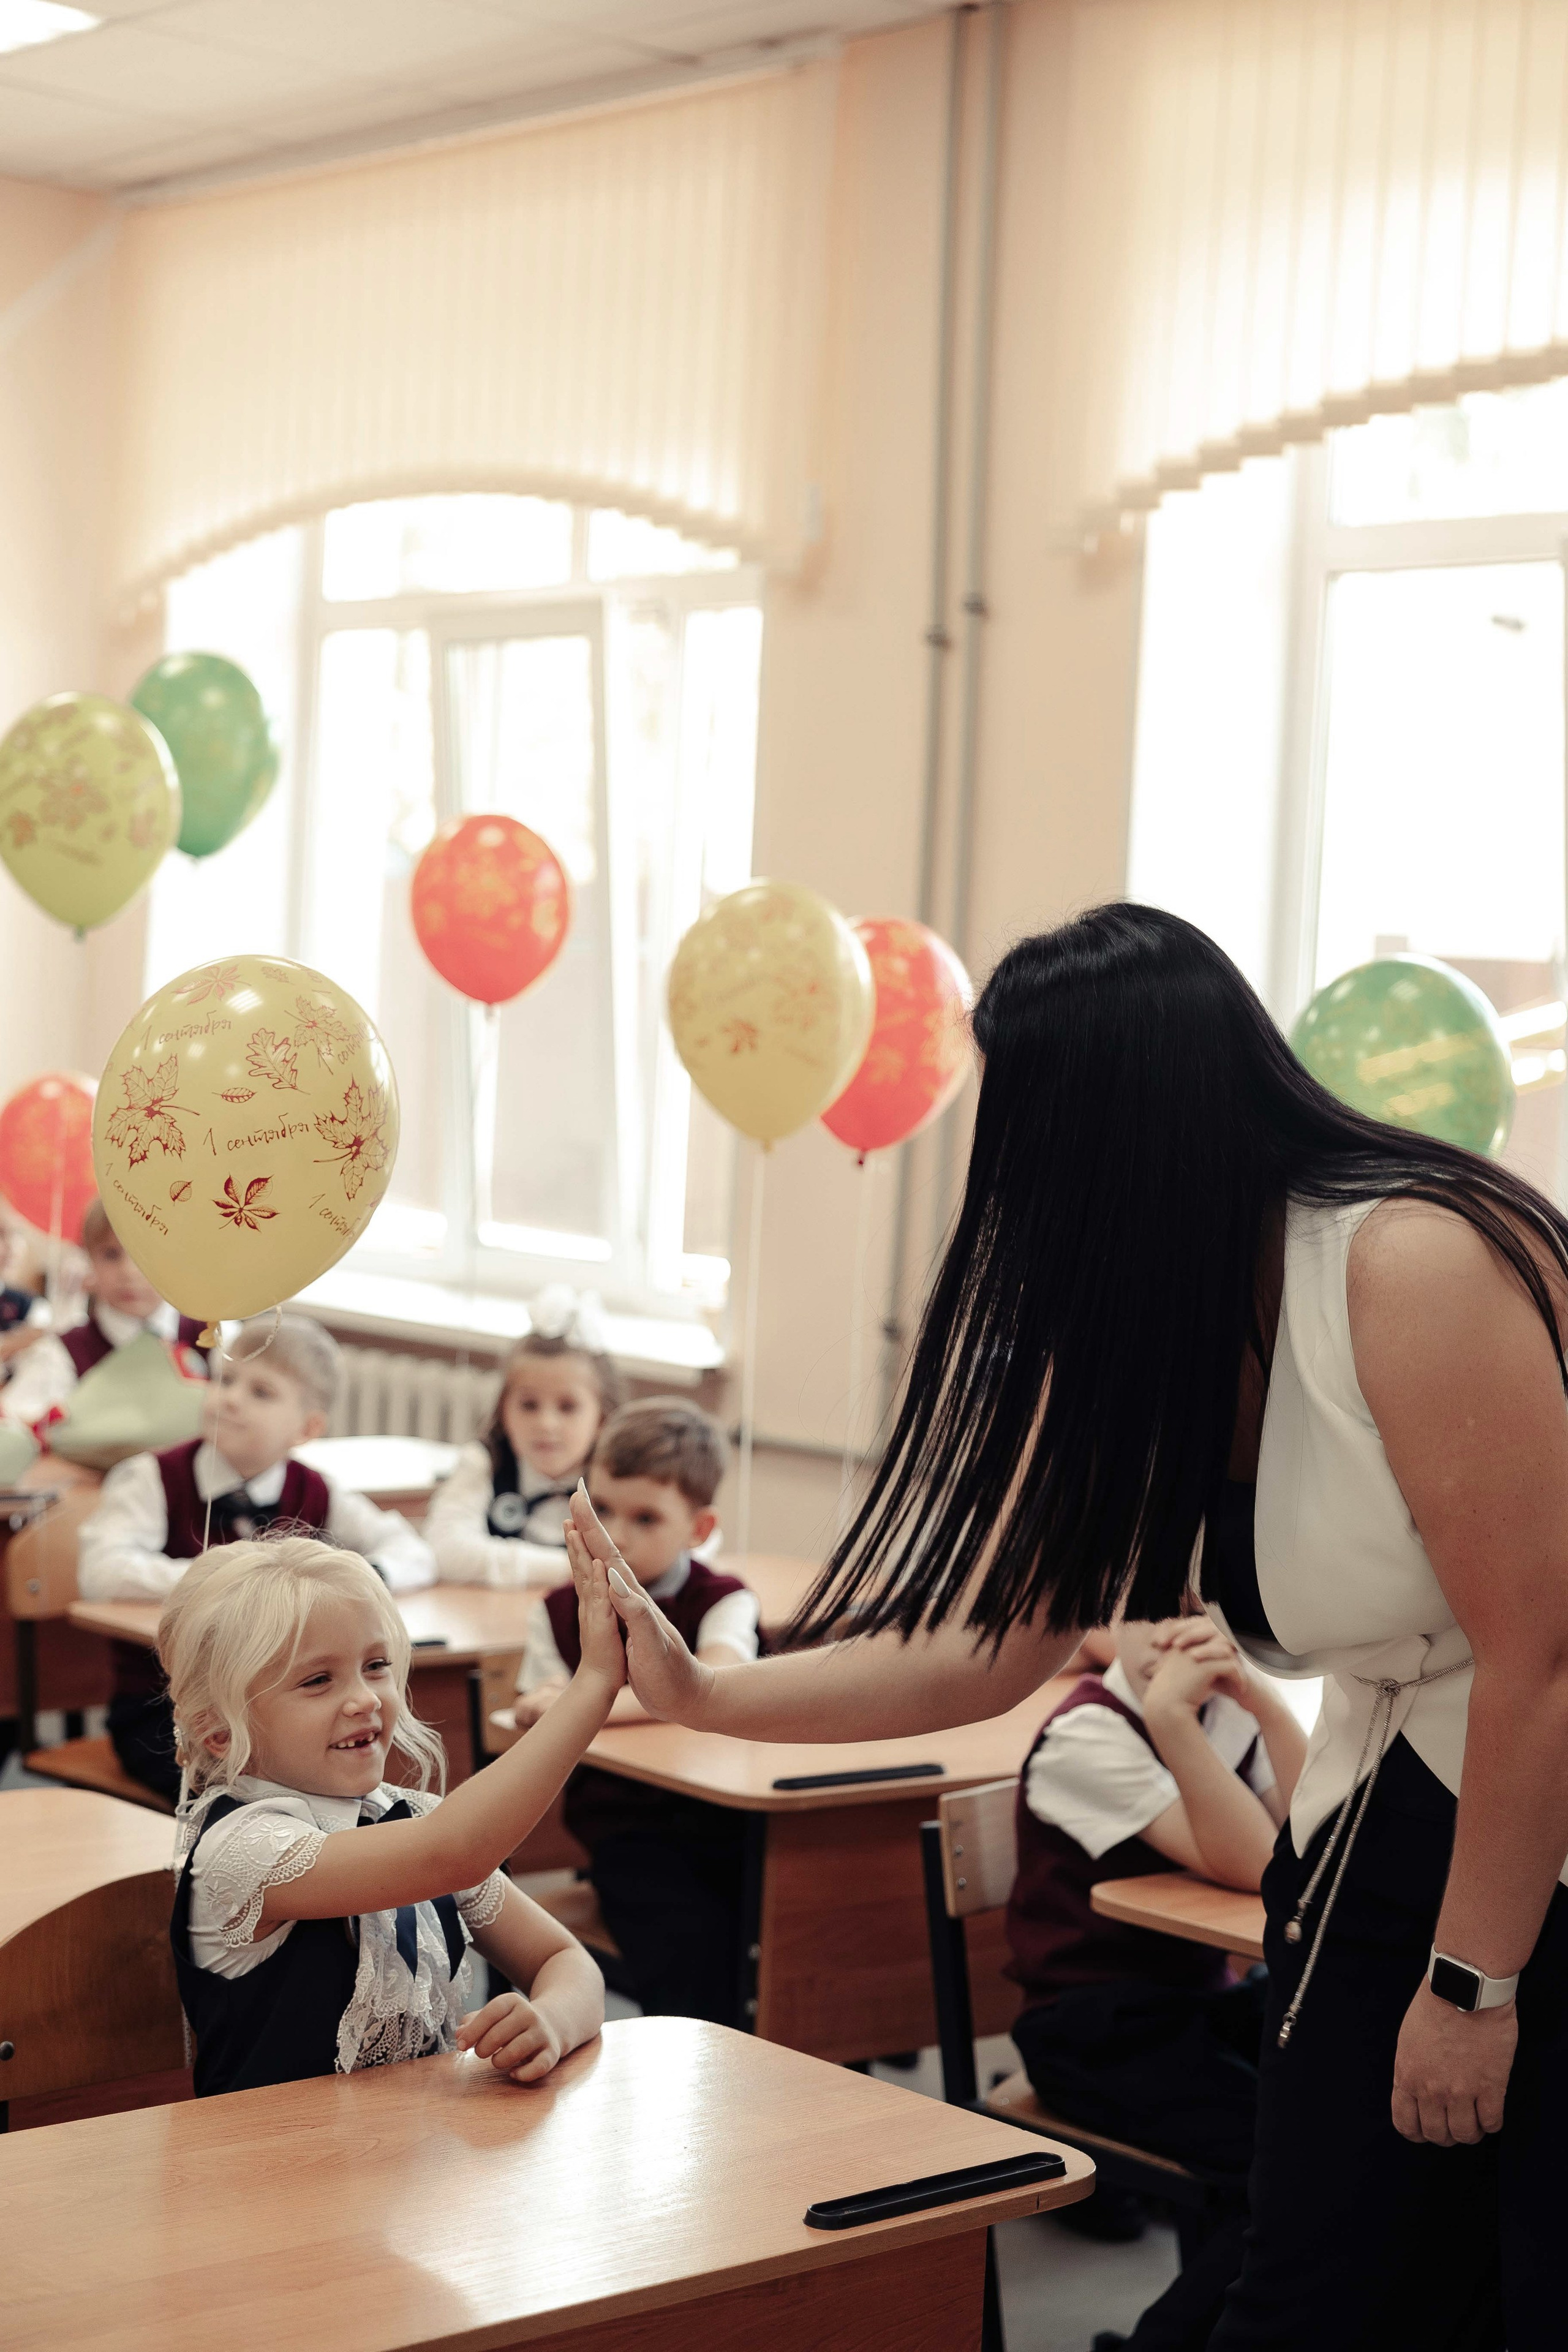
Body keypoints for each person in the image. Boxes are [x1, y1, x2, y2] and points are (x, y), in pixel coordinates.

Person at [569, 903, 1568, 2352]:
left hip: (1515, 1824)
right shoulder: (1154, 1313)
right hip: (1379, 1812)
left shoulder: (1403, 1260)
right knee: (1319, 2277)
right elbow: (1000, 1638)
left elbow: (1538, 1657)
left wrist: (1471, 1983)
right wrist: (716, 1694)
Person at [160, 1533, 617, 2095]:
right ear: (221, 1731)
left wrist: (551, 2019)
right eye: (318, 1680)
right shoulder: (243, 1849)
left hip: (412, 2162)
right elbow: (449, 1852)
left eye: (375, 1665)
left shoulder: (408, 1817)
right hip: (277, 2171)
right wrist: (592, 1685)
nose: (366, 1699)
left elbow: (564, 1960)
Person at [1008, 1611, 1305, 2348]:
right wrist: (1172, 1715)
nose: (1179, 1635)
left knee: (1334, 2090)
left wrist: (1264, 1702)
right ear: (1108, 1621)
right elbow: (1260, 1866)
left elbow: (1315, 1841)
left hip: (1197, 2003)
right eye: (1153, 1611)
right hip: (1091, 2029)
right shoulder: (1088, 1734)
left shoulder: (1228, 1715)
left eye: (1205, 1612)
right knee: (1278, 2168)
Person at [78, 1314, 434, 1804]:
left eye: (261, 1392)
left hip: (296, 1721)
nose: (231, 1398)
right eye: (226, 1379)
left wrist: (367, 1579)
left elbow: (414, 1550)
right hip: (169, 1717)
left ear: (307, 1427)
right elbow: (101, 1571)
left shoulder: (317, 1490)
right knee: (268, 1798)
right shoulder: (151, 1478)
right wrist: (229, 1586)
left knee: (344, 1791)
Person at [516, 1398, 758, 2024]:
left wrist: (589, 1699)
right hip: (626, 1824)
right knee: (687, 1936)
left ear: (699, 1530)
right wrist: (557, 1704)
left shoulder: (724, 1600)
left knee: (788, 1914)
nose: (616, 1536)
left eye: (646, 1517)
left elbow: (718, 1677)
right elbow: (535, 1709)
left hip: (727, 1816)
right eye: (604, 1511)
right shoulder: (555, 1608)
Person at [425, 1287, 626, 1587]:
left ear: (602, 1418)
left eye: (568, 1407)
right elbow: (445, 1551)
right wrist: (573, 1570)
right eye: (529, 1405)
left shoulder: (624, 1473)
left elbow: (682, 1544)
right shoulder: (485, 1462)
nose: (546, 1423)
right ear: (504, 1409)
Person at [0, 1197, 207, 1432]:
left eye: (145, 1253)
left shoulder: (214, 1336)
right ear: (89, 1261)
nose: (129, 1272)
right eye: (111, 1254)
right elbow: (13, 1430)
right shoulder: (62, 1353)